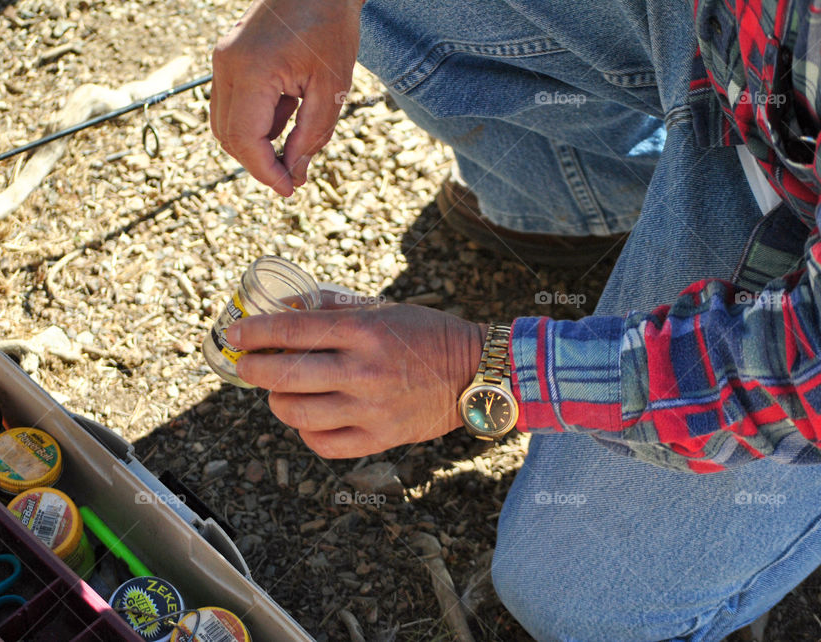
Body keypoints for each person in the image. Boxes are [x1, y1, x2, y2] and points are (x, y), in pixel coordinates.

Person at [210, 0, 821, 639]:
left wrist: (486, 372)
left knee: (580, 599)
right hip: (742, 58)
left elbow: (799, 369)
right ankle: (597, 196)